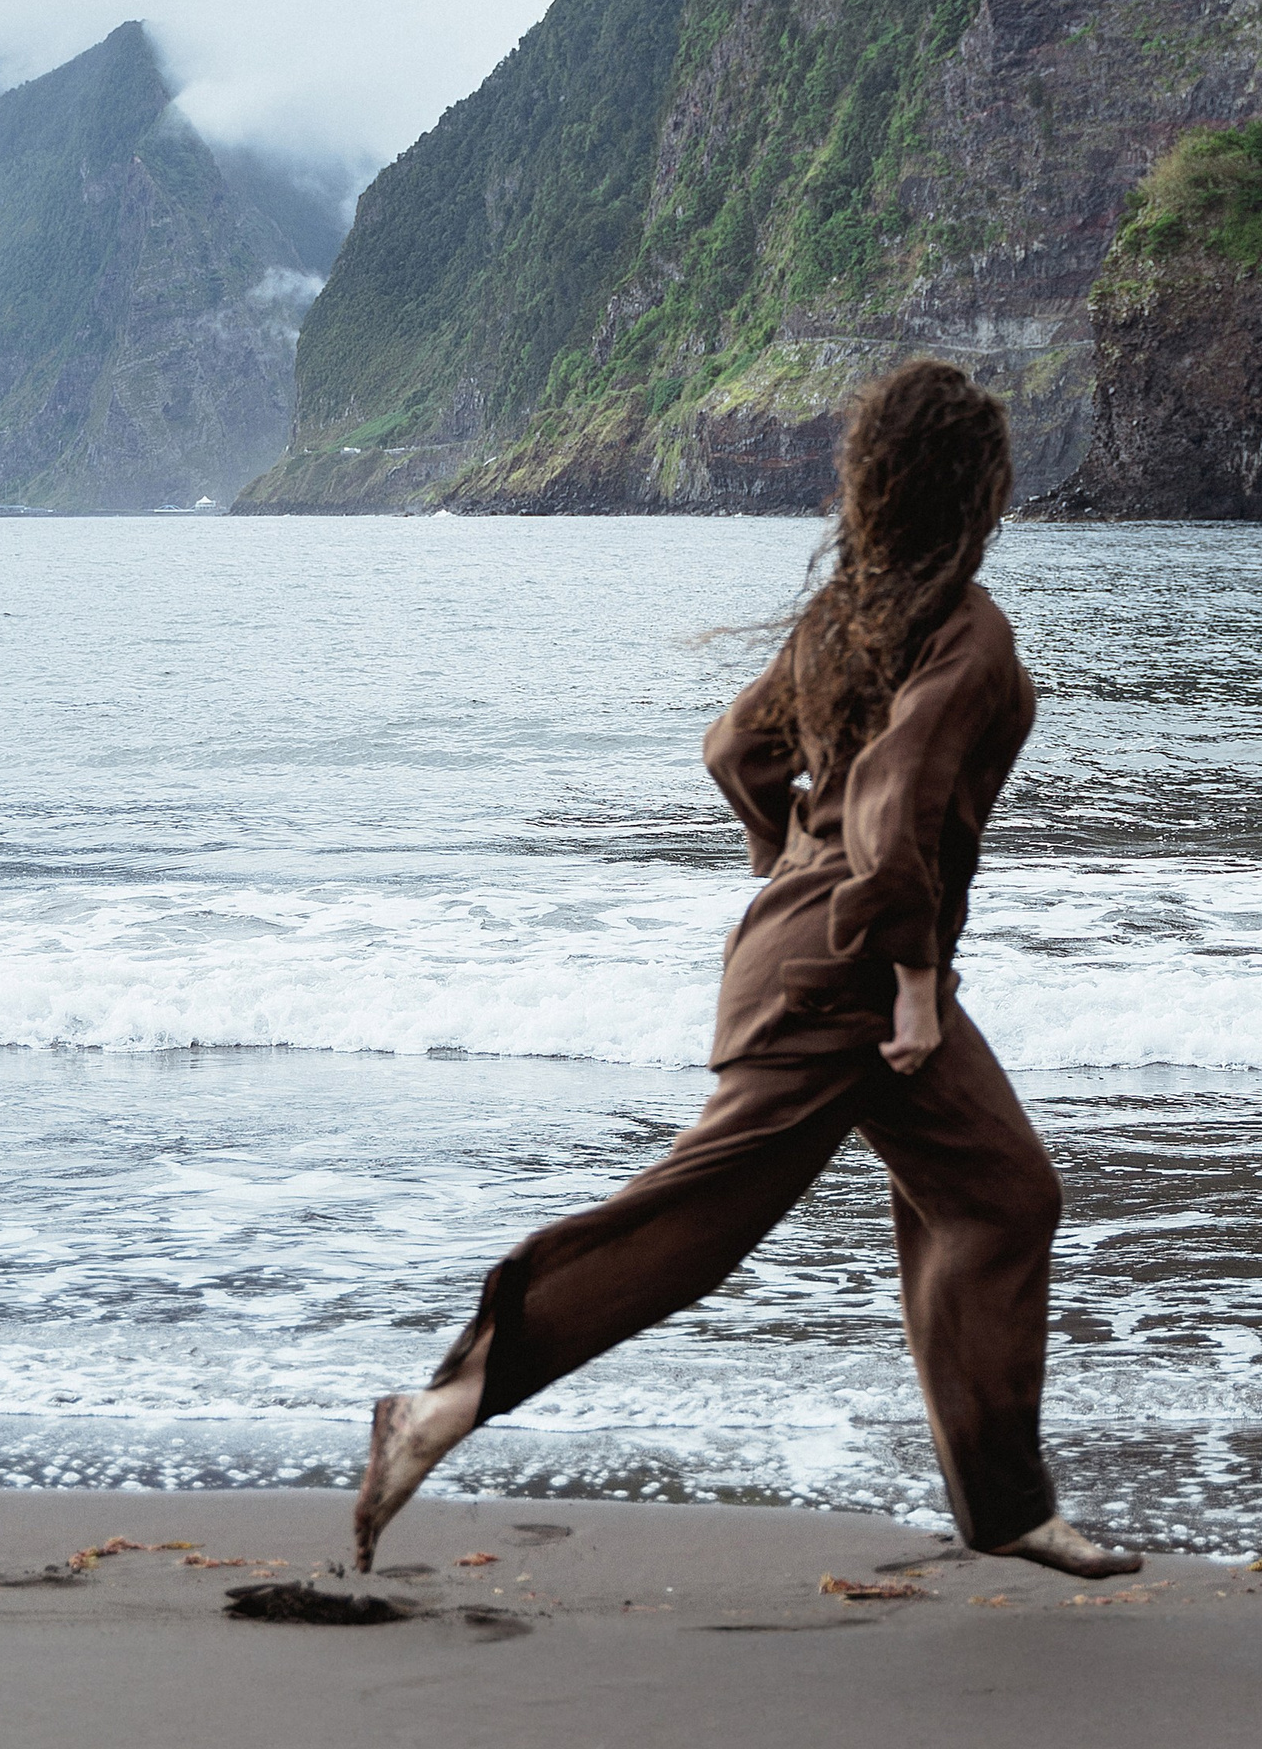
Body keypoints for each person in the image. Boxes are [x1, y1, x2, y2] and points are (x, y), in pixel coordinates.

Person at [352, 357, 1140, 1581]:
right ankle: (440, 1406)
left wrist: (784, 869)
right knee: (693, 1223)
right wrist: (915, 982)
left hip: (815, 954)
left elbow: (735, 749)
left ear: (874, 482)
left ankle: (1004, 1506)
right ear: (979, 488)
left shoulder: (851, 616)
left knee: (997, 1195)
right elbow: (889, 809)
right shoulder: (968, 633)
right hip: (856, 976)